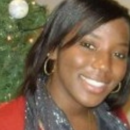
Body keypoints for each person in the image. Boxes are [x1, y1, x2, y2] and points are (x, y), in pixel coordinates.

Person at [0, 0, 130, 130]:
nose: (104, 65)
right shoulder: (7, 122)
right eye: (88, 45)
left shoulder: (114, 120)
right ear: (53, 47)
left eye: (119, 55)